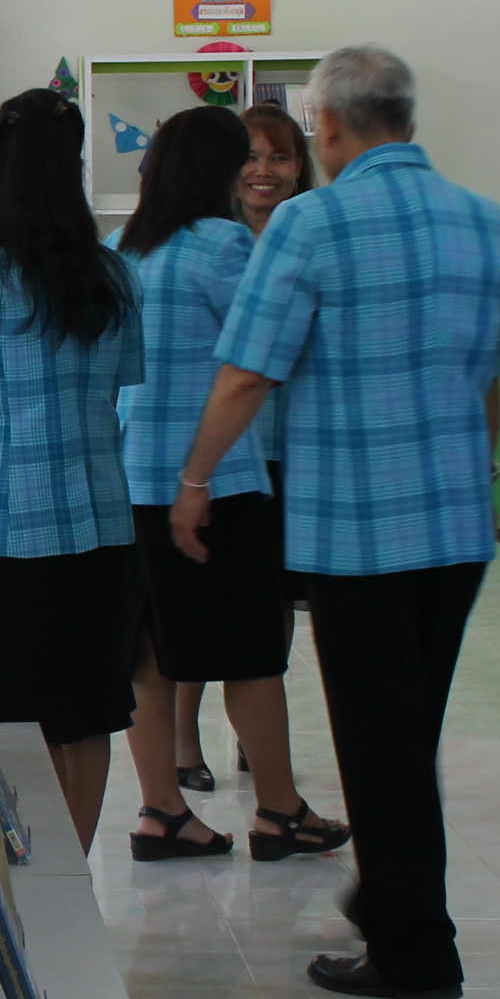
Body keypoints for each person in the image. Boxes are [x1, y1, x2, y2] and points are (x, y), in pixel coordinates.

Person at [172, 45, 500, 999]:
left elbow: (248, 372)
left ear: (325, 126)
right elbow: (487, 370)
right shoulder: (489, 224)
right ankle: (394, 902)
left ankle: (415, 951)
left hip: (358, 527)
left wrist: (196, 479)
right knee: (409, 726)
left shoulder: (312, 223)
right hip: (456, 522)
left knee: (379, 738)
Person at [114, 105, 348, 865]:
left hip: (132, 476)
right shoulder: (223, 245)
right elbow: (272, 349)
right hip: (214, 482)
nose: (254, 171)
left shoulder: (123, 249)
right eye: (242, 158)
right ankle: (280, 812)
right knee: (251, 653)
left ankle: (162, 811)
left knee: (148, 655)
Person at [0, 90, 141, 852]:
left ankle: (39, 869)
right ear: (75, 167)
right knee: (89, 708)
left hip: (8, 525)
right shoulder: (114, 273)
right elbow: (119, 387)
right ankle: (72, 869)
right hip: (102, 519)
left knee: (17, 710)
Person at [234, 102, 316, 237]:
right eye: (250, 158)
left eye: (279, 158)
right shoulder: (208, 235)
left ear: (298, 166)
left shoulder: (321, 234)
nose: (263, 172)